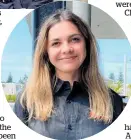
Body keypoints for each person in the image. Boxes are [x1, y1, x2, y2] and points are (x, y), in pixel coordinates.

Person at [14, 10, 123, 140]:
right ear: (46, 51)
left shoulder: (112, 100)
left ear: (86, 45)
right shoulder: (26, 100)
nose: (66, 49)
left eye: (75, 39)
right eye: (56, 43)